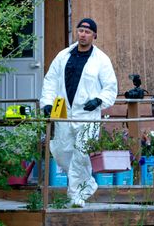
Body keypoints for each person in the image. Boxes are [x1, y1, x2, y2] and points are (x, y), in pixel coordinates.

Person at [40, 18, 118, 207]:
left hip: (87, 113)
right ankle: (88, 183)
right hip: (62, 110)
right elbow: (50, 80)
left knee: (82, 153)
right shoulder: (63, 55)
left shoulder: (101, 60)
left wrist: (99, 100)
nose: (83, 34)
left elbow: (110, 86)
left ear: (94, 36)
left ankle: (76, 195)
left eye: (87, 31)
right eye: (80, 30)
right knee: (60, 151)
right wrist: (47, 104)